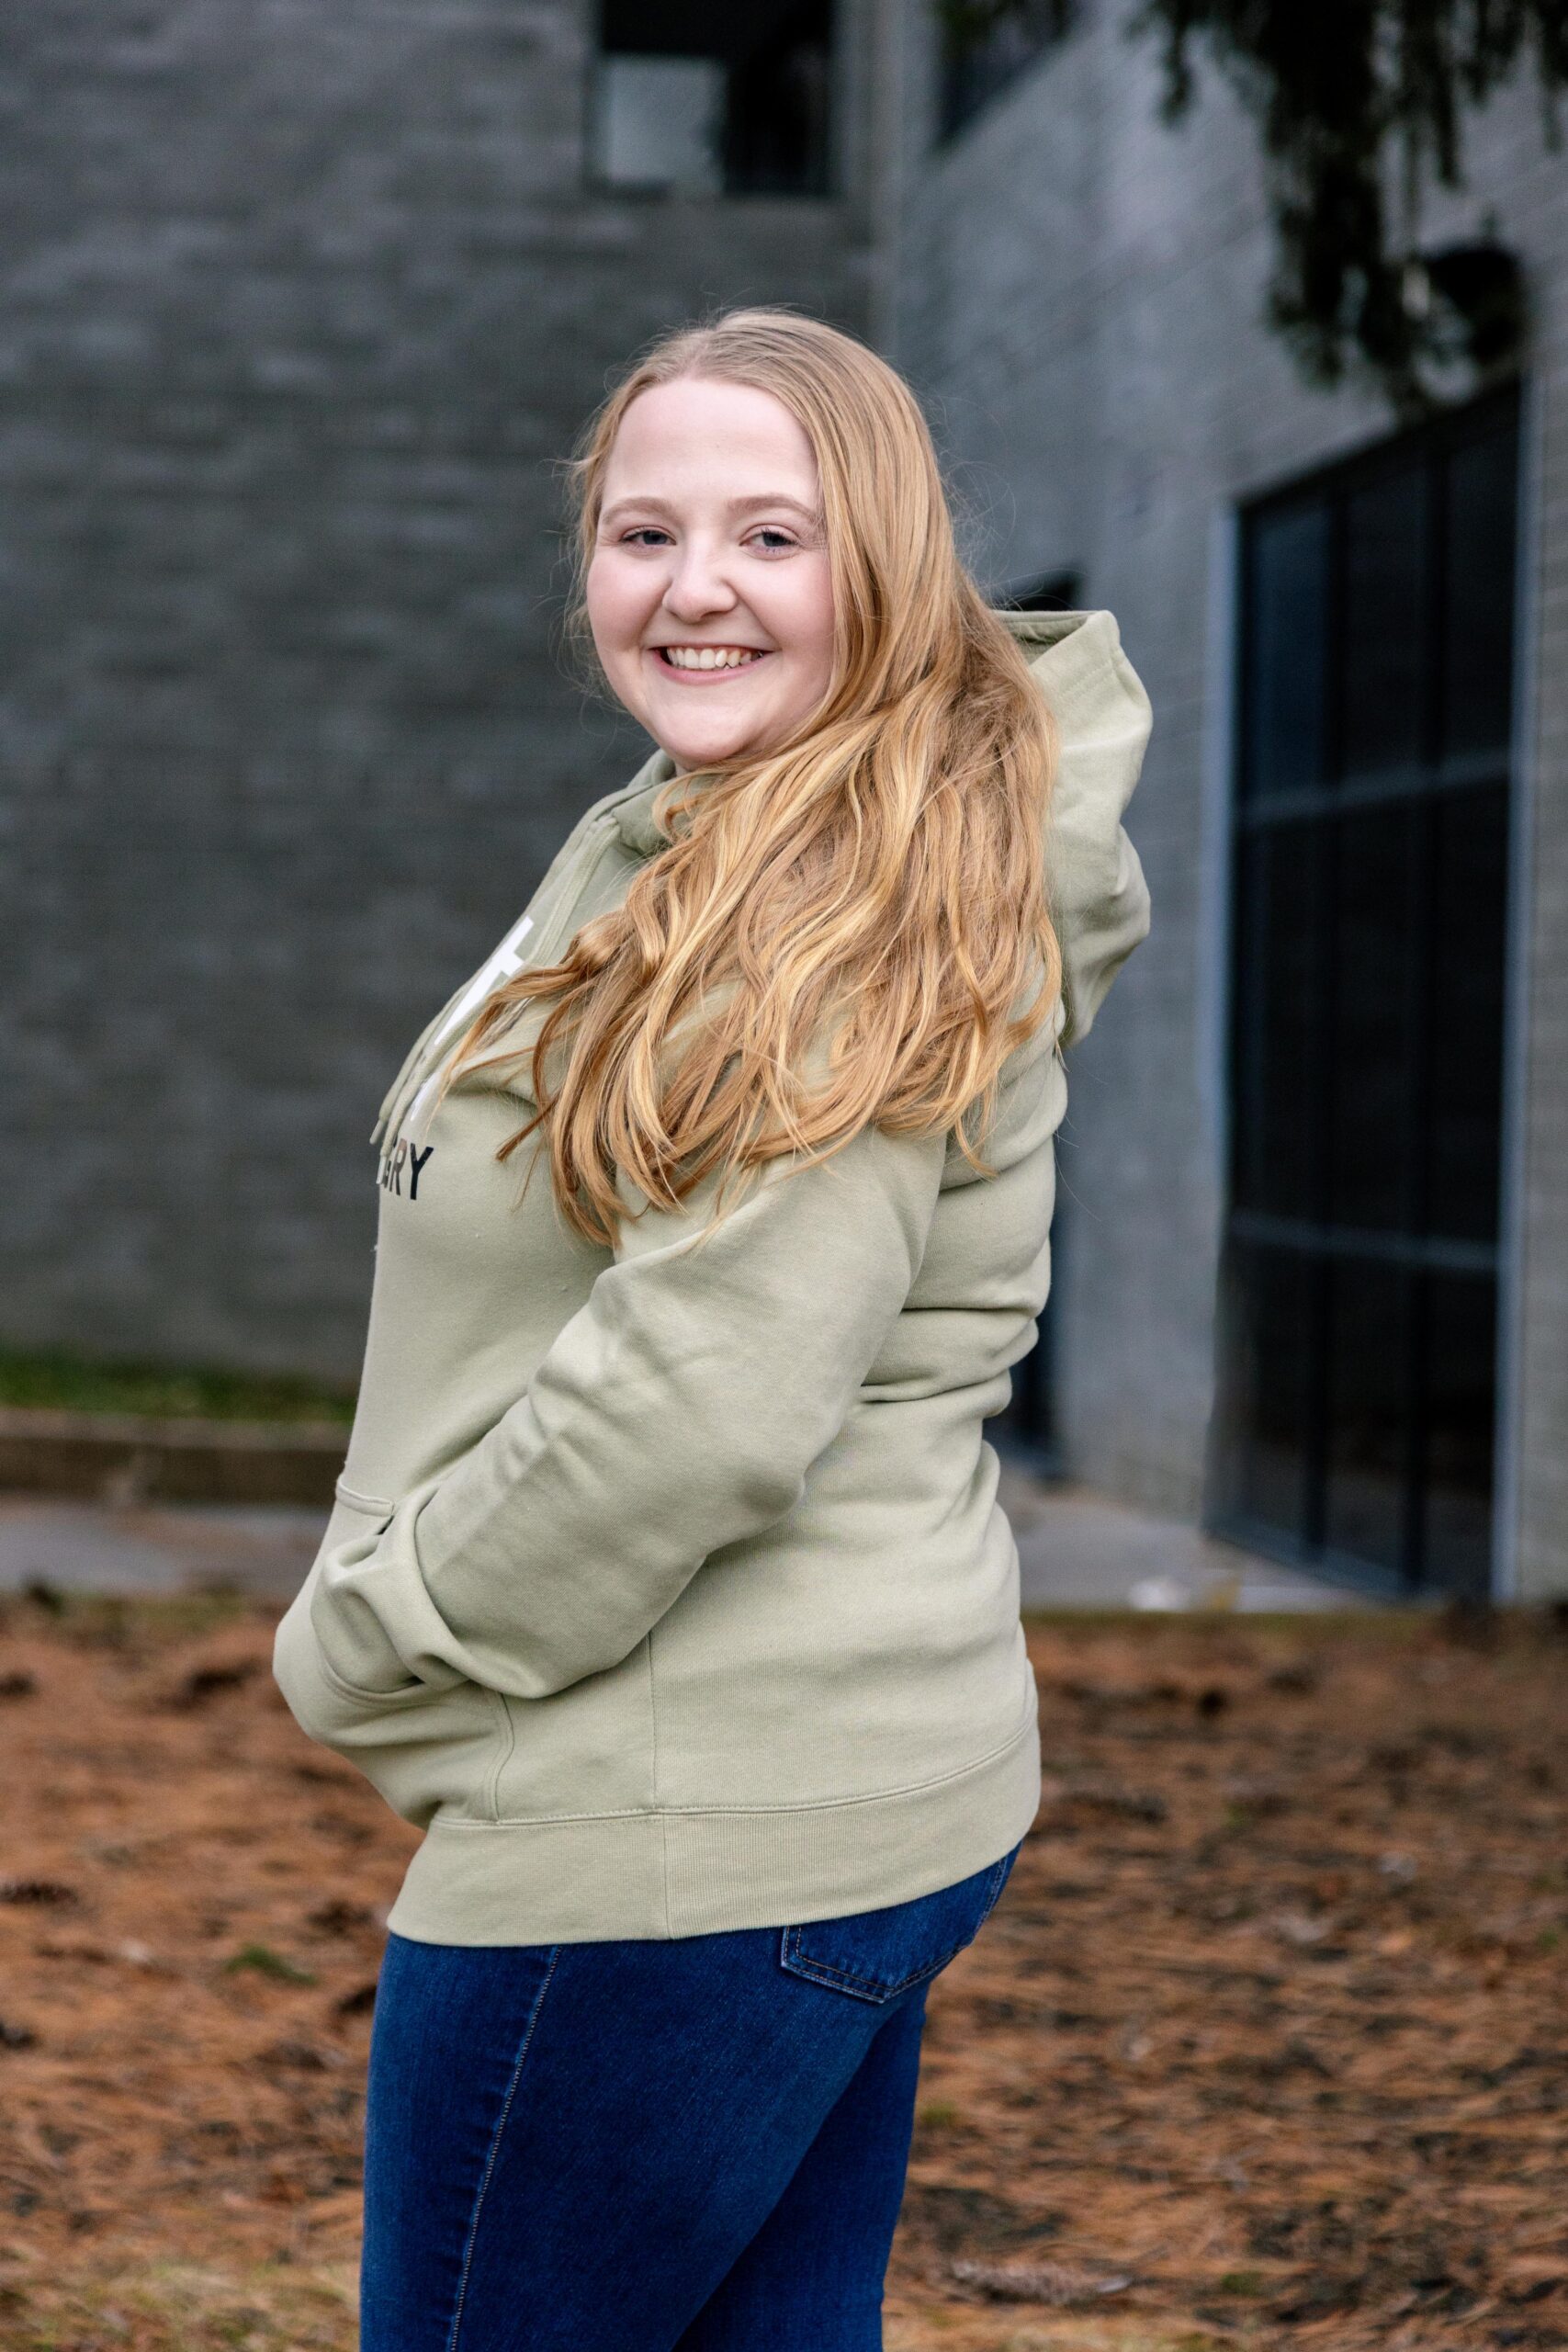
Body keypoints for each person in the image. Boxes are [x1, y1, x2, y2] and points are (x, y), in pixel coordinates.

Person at [272, 307, 1151, 2350]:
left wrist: (376, 1637)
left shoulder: (827, 910)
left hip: (665, 1842)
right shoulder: (734, 833)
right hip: (814, 1798)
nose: (691, 588)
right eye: (640, 529)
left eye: (771, 533)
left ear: (886, 562)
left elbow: (698, 1406)